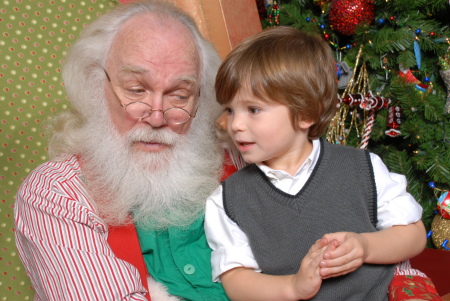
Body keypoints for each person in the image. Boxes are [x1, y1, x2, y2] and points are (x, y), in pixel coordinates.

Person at [13, 1, 438, 300]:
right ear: (95, 84)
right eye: (136, 89)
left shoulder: (245, 156)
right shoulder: (58, 195)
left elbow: (361, 237)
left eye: (180, 94)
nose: (157, 115)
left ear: (201, 103)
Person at [204, 26, 435, 301]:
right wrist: (293, 286)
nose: (235, 125)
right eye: (230, 110)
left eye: (253, 110)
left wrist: (364, 245)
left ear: (305, 114)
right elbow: (237, 281)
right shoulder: (228, 200)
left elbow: (413, 234)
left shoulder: (362, 167)